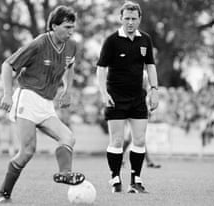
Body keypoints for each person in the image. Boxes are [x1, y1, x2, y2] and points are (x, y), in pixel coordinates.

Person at [0, 6, 85, 203]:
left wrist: (67, 90)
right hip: (27, 98)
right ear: (53, 26)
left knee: (68, 138)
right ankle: (3, 192)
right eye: (67, 27)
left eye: (73, 28)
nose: (71, 32)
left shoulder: (72, 46)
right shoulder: (39, 43)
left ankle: (65, 173)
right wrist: (7, 94)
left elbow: (70, 66)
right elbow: (7, 65)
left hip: (46, 103)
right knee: (27, 151)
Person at [96, 1, 159, 194]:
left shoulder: (145, 40)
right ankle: (115, 178)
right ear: (121, 19)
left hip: (138, 98)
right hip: (115, 98)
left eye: (134, 19)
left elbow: (150, 65)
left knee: (139, 140)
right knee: (116, 140)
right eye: (127, 19)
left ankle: (135, 180)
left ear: (139, 19)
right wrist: (104, 93)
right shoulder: (111, 40)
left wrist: (154, 89)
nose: (130, 22)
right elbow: (100, 69)